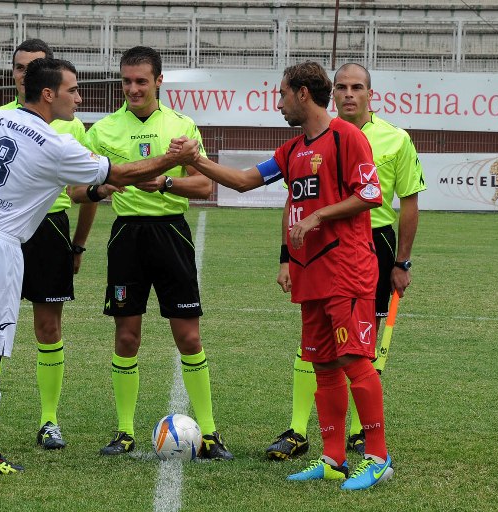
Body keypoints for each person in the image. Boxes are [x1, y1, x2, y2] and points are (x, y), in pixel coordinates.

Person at [0, 57, 200, 476]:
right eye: (73, 90)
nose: (79, 97)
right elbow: (124, 172)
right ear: (49, 94)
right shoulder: (54, 144)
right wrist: (171, 159)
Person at [173, 61, 393, 489]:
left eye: (282, 95)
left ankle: (378, 456)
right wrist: (194, 159)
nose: (278, 104)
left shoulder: (346, 138)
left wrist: (318, 218)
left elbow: (370, 194)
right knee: (323, 364)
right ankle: (332, 459)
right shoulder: (292, 151)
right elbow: (241, 181)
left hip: (346, 267)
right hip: (311, 273)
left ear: (303, 94)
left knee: (353, 360)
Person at [0, 38, 120, 451]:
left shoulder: (70, 123)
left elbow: (84, 188)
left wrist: (78, 245)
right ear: (13, 74)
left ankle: (49, 420)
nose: (25, 73)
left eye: (35, 66)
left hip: (49, 230)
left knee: (48, 326)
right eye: (19, 67)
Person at [266, 62, 425, 460]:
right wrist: (286, 256)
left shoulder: (395, 139)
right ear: (329, 94)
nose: (349, 94)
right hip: (317, 245)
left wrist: (401, 262)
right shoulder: (314, 136)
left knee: (357, 348)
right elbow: (296, 198)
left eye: (357, 87)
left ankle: (363, 438)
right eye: (342, 87)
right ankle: (300, 430)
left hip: (370, 245)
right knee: (316, 348)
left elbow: (407, 203)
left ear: (372, 94)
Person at [85, 46, 233, 460]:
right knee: (126, 335)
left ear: (158, 82)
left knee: (188, 336)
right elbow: (79, 190)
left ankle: (208, 433)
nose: (133, 88)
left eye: (141, 81)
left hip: (172, 234)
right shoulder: (102, 131)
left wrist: (164, 184)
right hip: (127, 238)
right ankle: (125, 431)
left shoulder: (182, 127)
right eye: (127, 81)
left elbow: (204, 186)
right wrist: (102, 188)